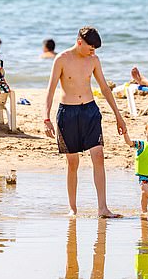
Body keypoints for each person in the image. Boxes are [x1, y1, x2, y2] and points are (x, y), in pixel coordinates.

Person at [44, 26, 127, 218]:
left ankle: (103, 208)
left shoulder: (94, 60)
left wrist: (118, 116)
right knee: (73, 162)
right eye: (91, 47)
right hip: (68, 113)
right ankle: (73, 208)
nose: (93, 51)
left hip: (90, 111)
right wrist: (46, 118)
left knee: (98, 156)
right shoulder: (62, 59)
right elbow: (50, 91)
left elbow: (105, 89)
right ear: (80, 42)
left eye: (95, 49)